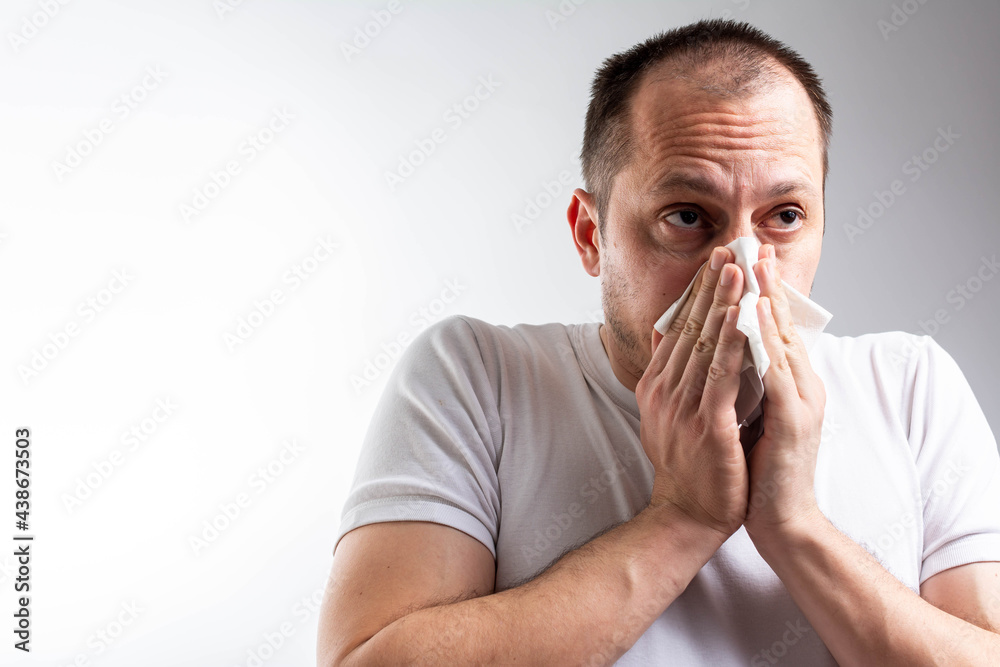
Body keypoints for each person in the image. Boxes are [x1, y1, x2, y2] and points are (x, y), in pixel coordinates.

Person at [317, 19, 1000, 665]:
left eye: (783, 217)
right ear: (591, 235)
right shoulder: (479, 378)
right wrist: (682, 518)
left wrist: (795, 526)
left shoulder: (911, 384)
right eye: (687, 216)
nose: (739, 265)